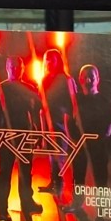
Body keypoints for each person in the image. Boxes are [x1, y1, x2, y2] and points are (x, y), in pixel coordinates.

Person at [0, 56, 43, 221]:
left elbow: (36, 113)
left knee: (26, 172)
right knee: (5, 173)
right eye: (12, 66)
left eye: (18, 66)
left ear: (22, 68)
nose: (14, 69)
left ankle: (27, 204)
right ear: (7, 67)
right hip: (7, 138)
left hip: (25, 136)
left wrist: (38, 134)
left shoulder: (29, 89)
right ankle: (2, 210)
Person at [68, 64, 111, 212]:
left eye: (91, 77)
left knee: (100, 179)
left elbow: (110, 125)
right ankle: (77, 204)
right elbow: (68, 120)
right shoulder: (75, 100)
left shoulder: (106, 102)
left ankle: (102, 211)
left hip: (98, 147)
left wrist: (99, 141)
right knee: (78, 177)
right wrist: (74, 140)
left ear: (98, 79)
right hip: (79, 146)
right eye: (85, 77)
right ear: (80, 79)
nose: (88, 80)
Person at [38, 48, 77, 194]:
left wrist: (70, 124)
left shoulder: (66, 79)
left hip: (62, 123)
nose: (49, 62)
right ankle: (54, 183)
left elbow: (73, 102)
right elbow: (42, 103)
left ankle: (59, 188)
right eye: (47, 59)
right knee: (51, 155)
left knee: (60, 156)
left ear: (58, 61)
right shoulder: (45, 80)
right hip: (49, 122)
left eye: (52, 59)